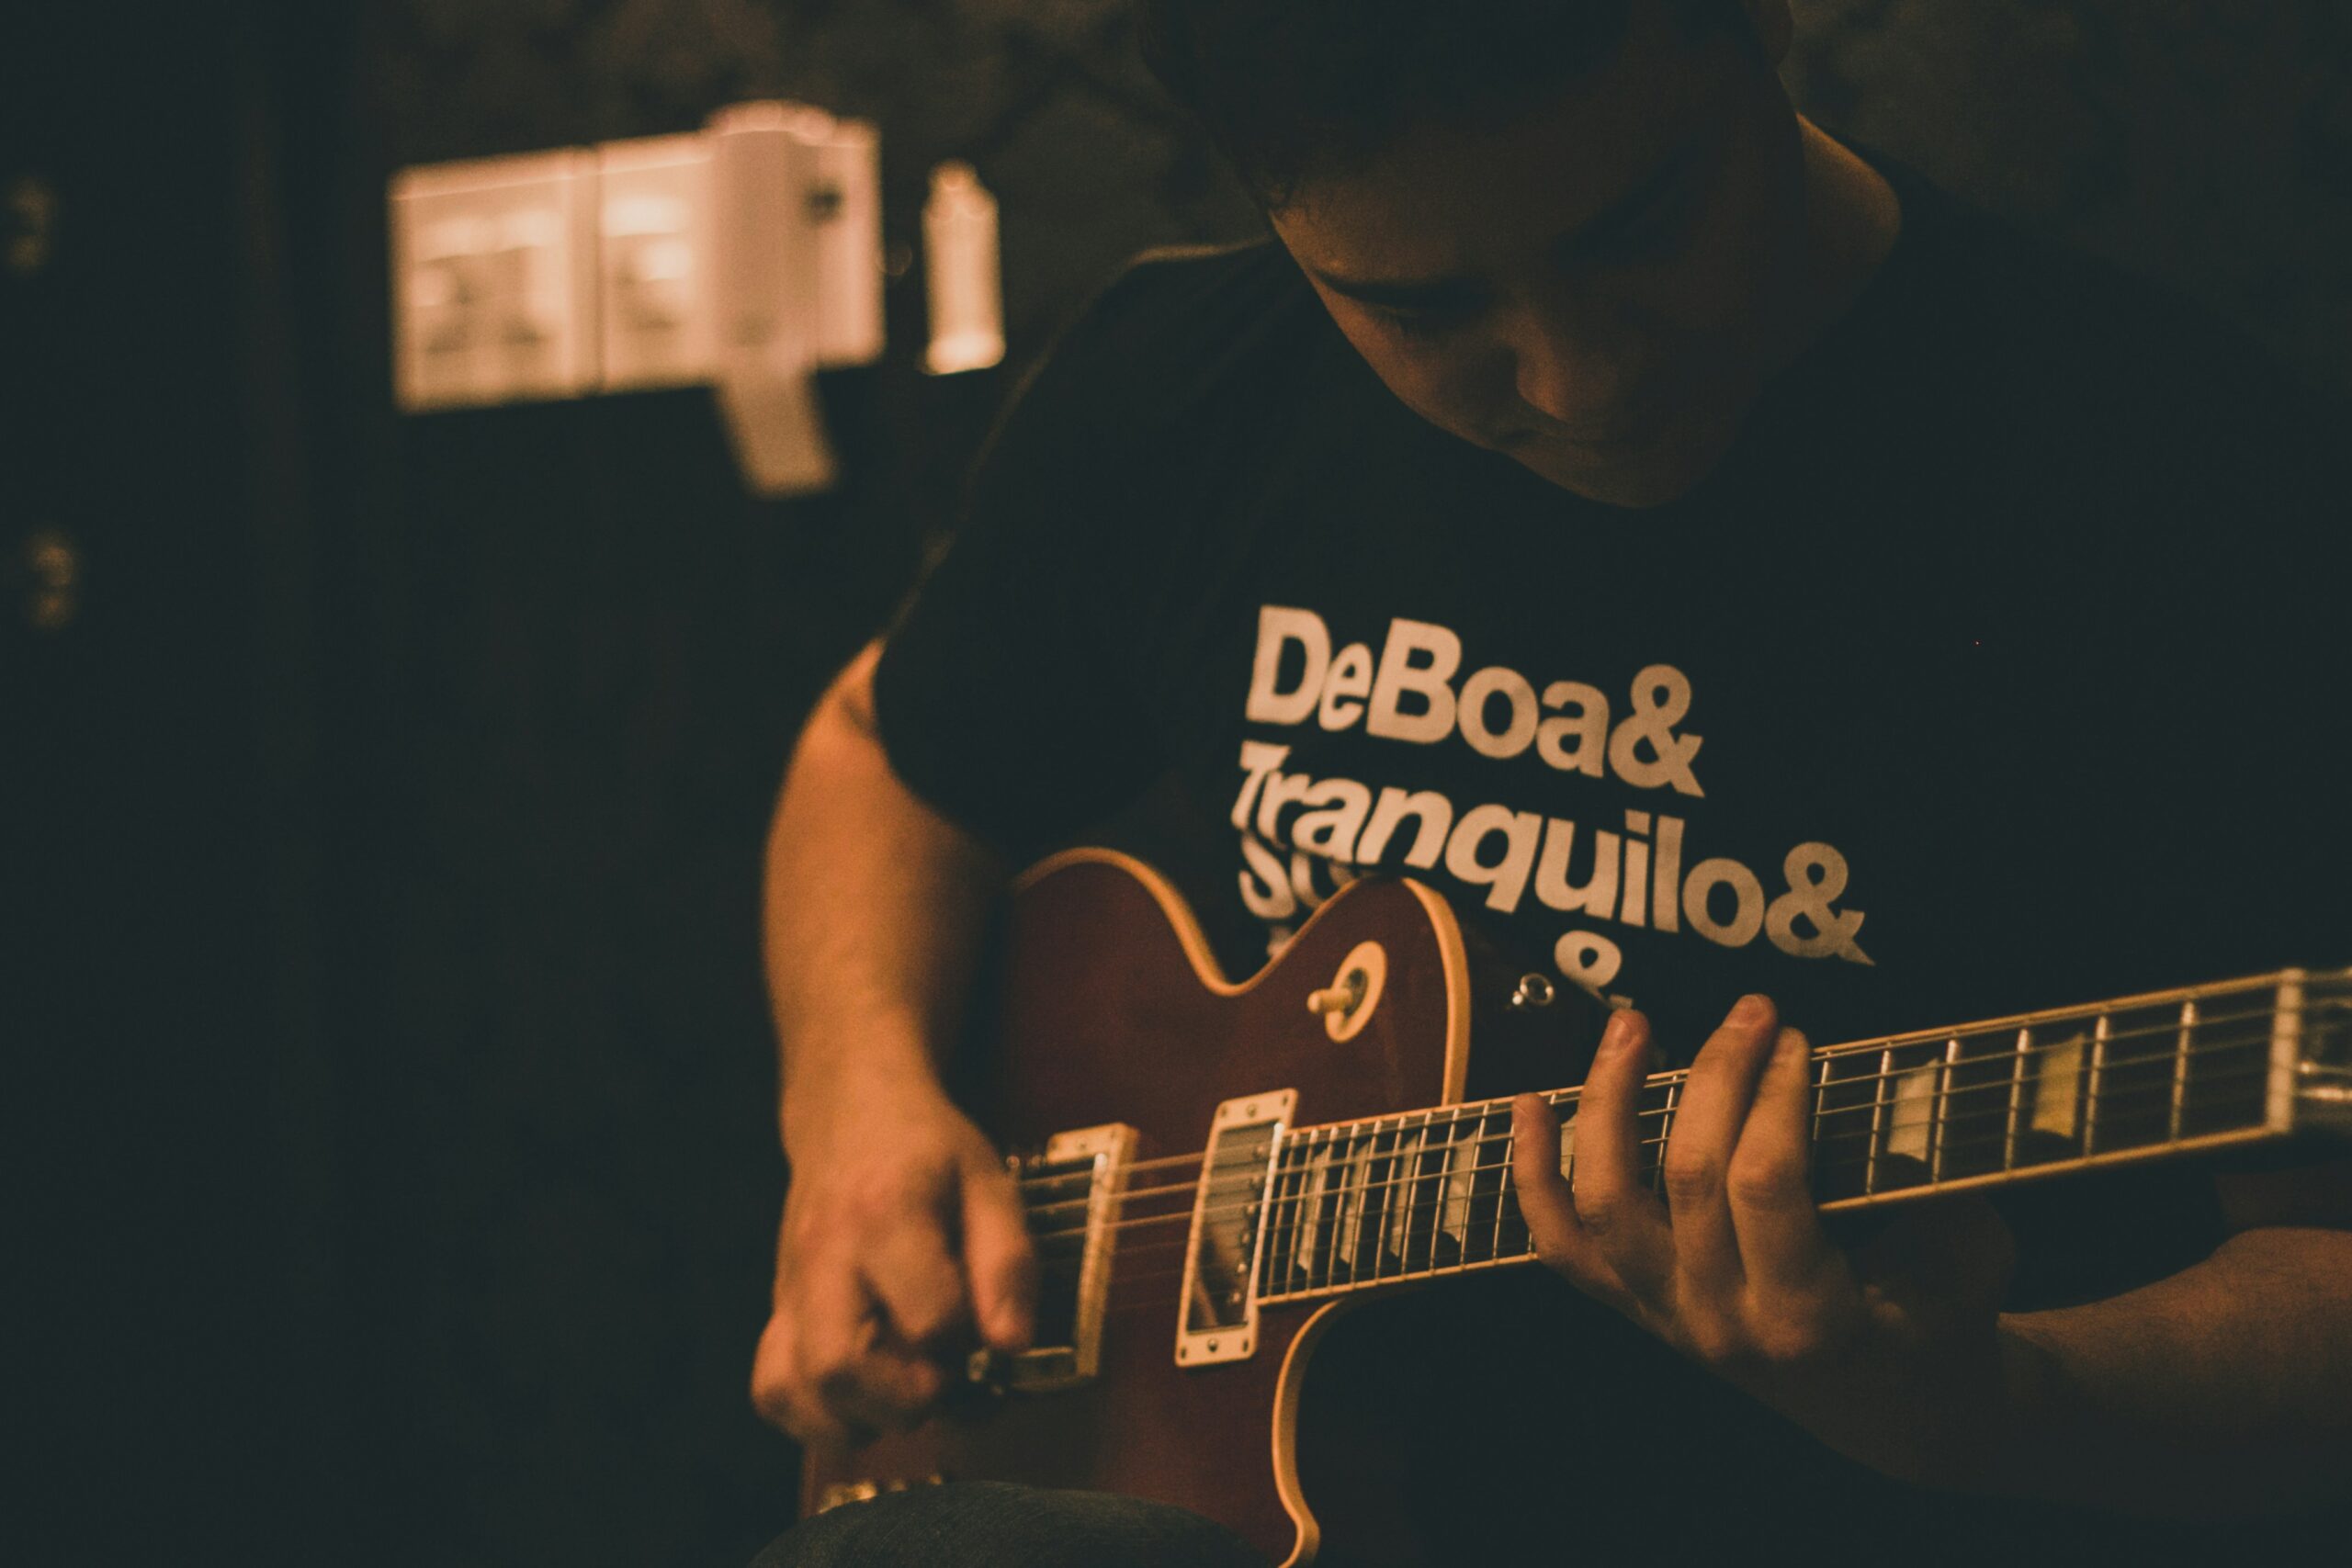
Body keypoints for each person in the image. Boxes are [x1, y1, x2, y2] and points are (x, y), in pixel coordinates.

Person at [748, 0, 2352, 1562]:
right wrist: (851, 1106)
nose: (1578, 381)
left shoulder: (2180, 478)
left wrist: (1988, 1404)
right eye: (1425, 311)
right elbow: (883, 751)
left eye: (1640, 223)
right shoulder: (1181, 390)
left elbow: (2325, 1261)